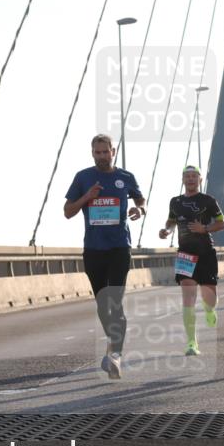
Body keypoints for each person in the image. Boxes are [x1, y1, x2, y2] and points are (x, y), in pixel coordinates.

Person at [65, 134, 145, 379]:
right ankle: (113, 344)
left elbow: (140, 199)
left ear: (113, 151)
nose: (102, 156)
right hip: (93, 249)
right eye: (97, 153)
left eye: (105, 152)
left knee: (115, 300)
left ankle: (115, 355)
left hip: (120, 247)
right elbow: (68, 212)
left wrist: (139, 208)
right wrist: (86, 198)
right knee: (102, 304)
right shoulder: (83, 177)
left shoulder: (125, 177)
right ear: (92, 153)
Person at [159, 166, 224, 356]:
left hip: (206, 252)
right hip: (185, 254)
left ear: (200, 179)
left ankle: (209, 309)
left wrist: (204, 228)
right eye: (187, 176)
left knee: (209, 297)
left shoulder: (208, 200)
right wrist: (167, 231)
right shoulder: (175, 202)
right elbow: (171, 222)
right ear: (182, 179)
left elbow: (222, 223)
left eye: (194, 176)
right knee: (188, 297)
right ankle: (191, 343)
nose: (190, 179)